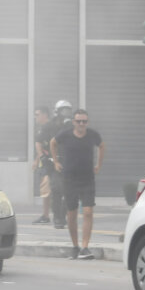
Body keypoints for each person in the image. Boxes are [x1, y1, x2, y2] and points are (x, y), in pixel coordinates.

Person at [51, 108, 104, 260]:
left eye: (84, 121)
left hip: (87, 179)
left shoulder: (93, 135)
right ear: (73, 122)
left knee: (88, 212)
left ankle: (85, 247)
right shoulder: (65, 134)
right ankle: (75, 246)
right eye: (79, 121)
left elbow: (102, 146)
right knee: (72, 213)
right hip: (69, 179)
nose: (81, 124)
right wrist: (56, 162)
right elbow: (53, 143)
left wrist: (98, 165)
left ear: (87, 122)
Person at [32, 106, 55, 224]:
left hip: (51, 163)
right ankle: (46, 215)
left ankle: (55, 215)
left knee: (50, 189)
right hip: (45, 162)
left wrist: (40, 158)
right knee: (45, 190)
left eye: (37, 114)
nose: (35, 117)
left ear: (44, 114)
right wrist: (37, 159)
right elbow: (41, 145)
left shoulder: (50, 127)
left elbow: (41, 144)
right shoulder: (42, 128)